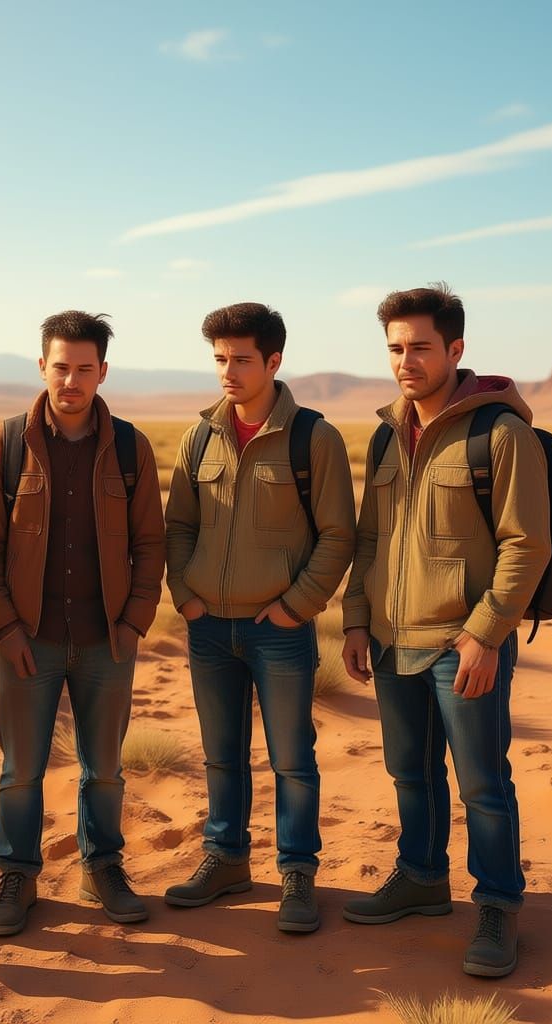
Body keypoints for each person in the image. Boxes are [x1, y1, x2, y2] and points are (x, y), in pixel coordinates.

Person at [340, 283, 551, 977]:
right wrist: (356, 620)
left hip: (464, 644)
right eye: (396, 348)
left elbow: (527, 544)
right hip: (393, 639)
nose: (406, 361)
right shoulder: (385, 434)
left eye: (420, 347)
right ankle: (422, 878)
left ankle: (496, 906)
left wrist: (487, 635)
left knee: (482, 783)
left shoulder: (501, 433)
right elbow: (370, 538)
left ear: (455, 349)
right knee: (410, 773)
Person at [0, 311, 165, 935]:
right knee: (20, 768)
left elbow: (152, 543)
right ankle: (17, 875)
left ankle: (102, 867)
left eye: (85, 369)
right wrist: (3, 629)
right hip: (28, 640)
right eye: (61, 367)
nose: (72, 381)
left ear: (102, 372)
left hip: (107, 640)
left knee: (103, 766)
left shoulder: (131, 448)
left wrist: (133, 623)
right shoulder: (4, 446)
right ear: (42, 367)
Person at [163, 301, 356, 933]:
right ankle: (225, 859)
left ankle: (297, 872)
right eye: (219, 359)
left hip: (280, 632)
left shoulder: (313, 438)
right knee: (221, 754)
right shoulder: (201, 436)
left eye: (241, 359)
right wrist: (186, 596)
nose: (228, 371)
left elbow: (337, 535)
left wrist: (295, 606)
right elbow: (178, 527)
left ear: (273, 361)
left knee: (292, 757)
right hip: (210, 627)